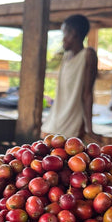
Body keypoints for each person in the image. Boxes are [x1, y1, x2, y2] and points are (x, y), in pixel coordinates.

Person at [41, 14, 102, 143]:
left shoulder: (88, 55)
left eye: (64, 34)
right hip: (57, 117)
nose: (63, 39)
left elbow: (87, 93)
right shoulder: (66, 56)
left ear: (73, 34)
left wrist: (89, 128)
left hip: (72, 120)